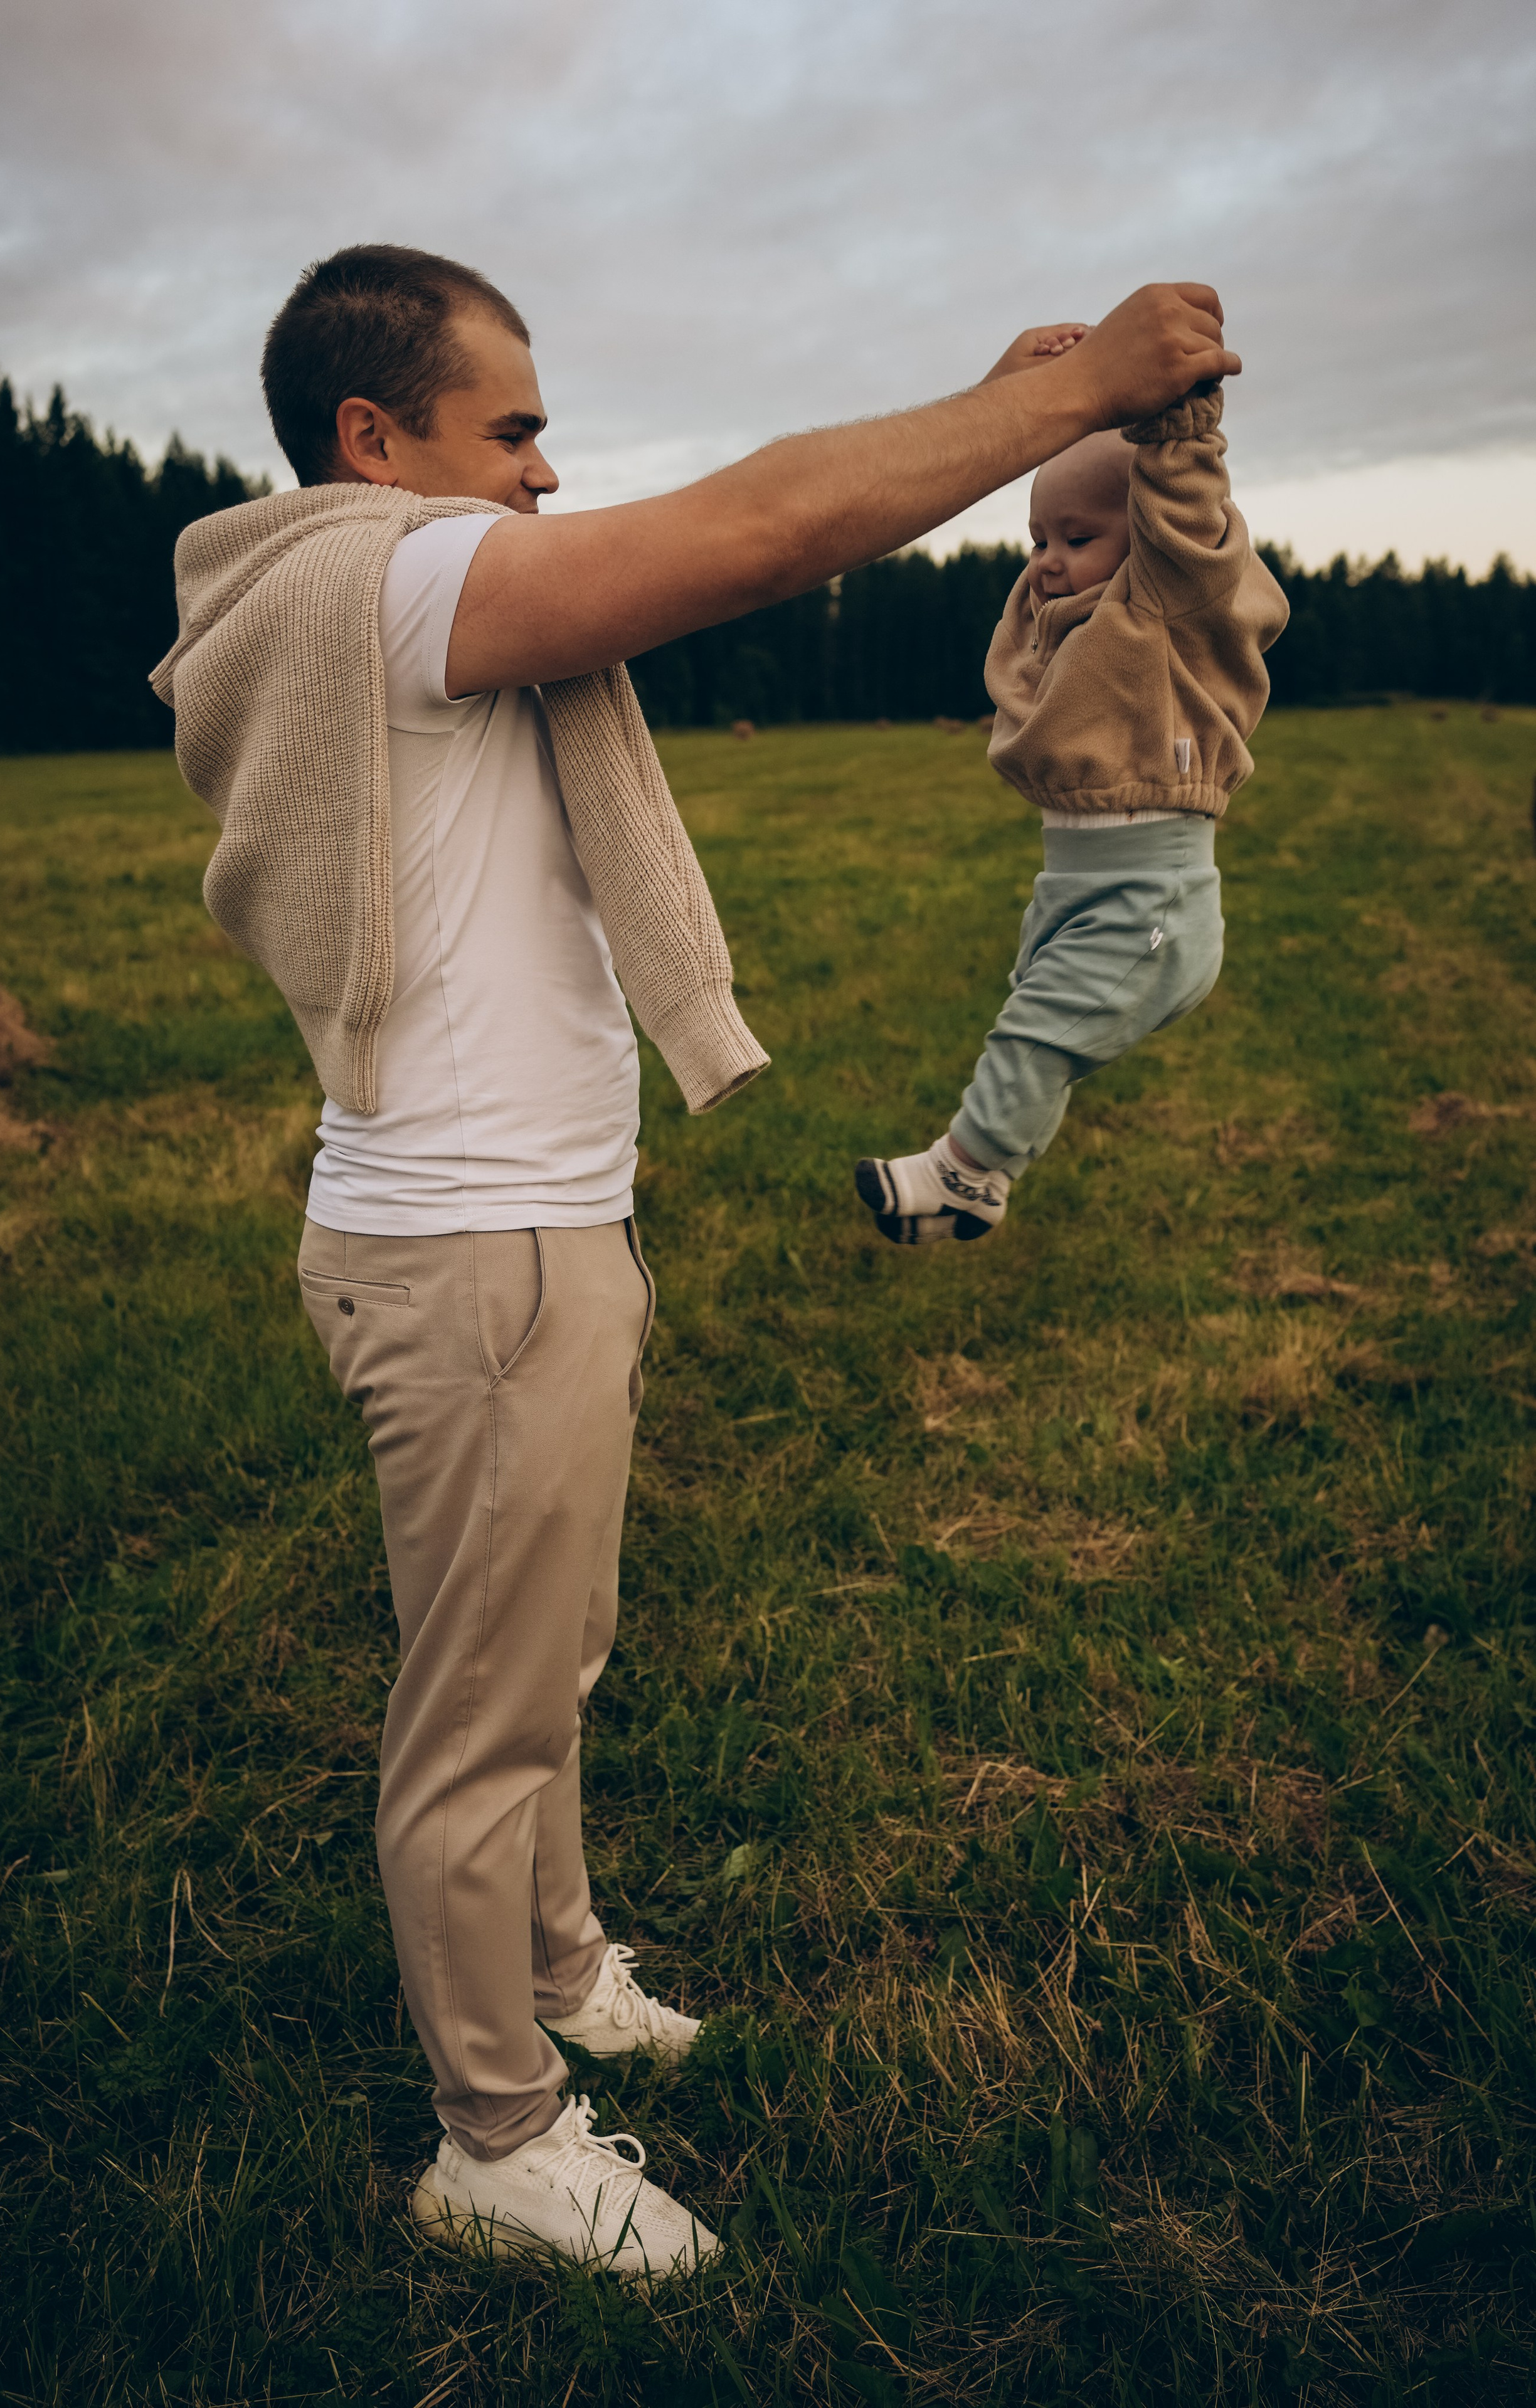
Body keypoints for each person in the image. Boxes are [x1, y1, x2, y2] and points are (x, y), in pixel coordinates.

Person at [151, 245, 1239, 2276]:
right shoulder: (390, 578)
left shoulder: (392, 595)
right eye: (520, 430)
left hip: (523, 1243)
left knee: (540, 1654)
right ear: (375, 441)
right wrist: (1058, 395)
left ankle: (556, 1968)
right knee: (478, 1715)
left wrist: (1015, 393)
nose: (551, 478)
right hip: (480, 1266)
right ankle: (497, 2137)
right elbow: (756, 533)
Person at [854, 361, 1288, 1245]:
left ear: (1146, 538)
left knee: (1034, 1035)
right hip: (1078, 884)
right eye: (1037, 539)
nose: (1048, 562)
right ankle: (988, 1173)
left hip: (1148, 898)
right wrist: (1072, 394)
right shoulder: (1075, 625)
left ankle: (966, 1174)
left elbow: (1187, 512)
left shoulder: (1170, 599)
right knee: (1036, 1023)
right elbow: (1036, 637)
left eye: (1076, 538)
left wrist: (1177, 420)